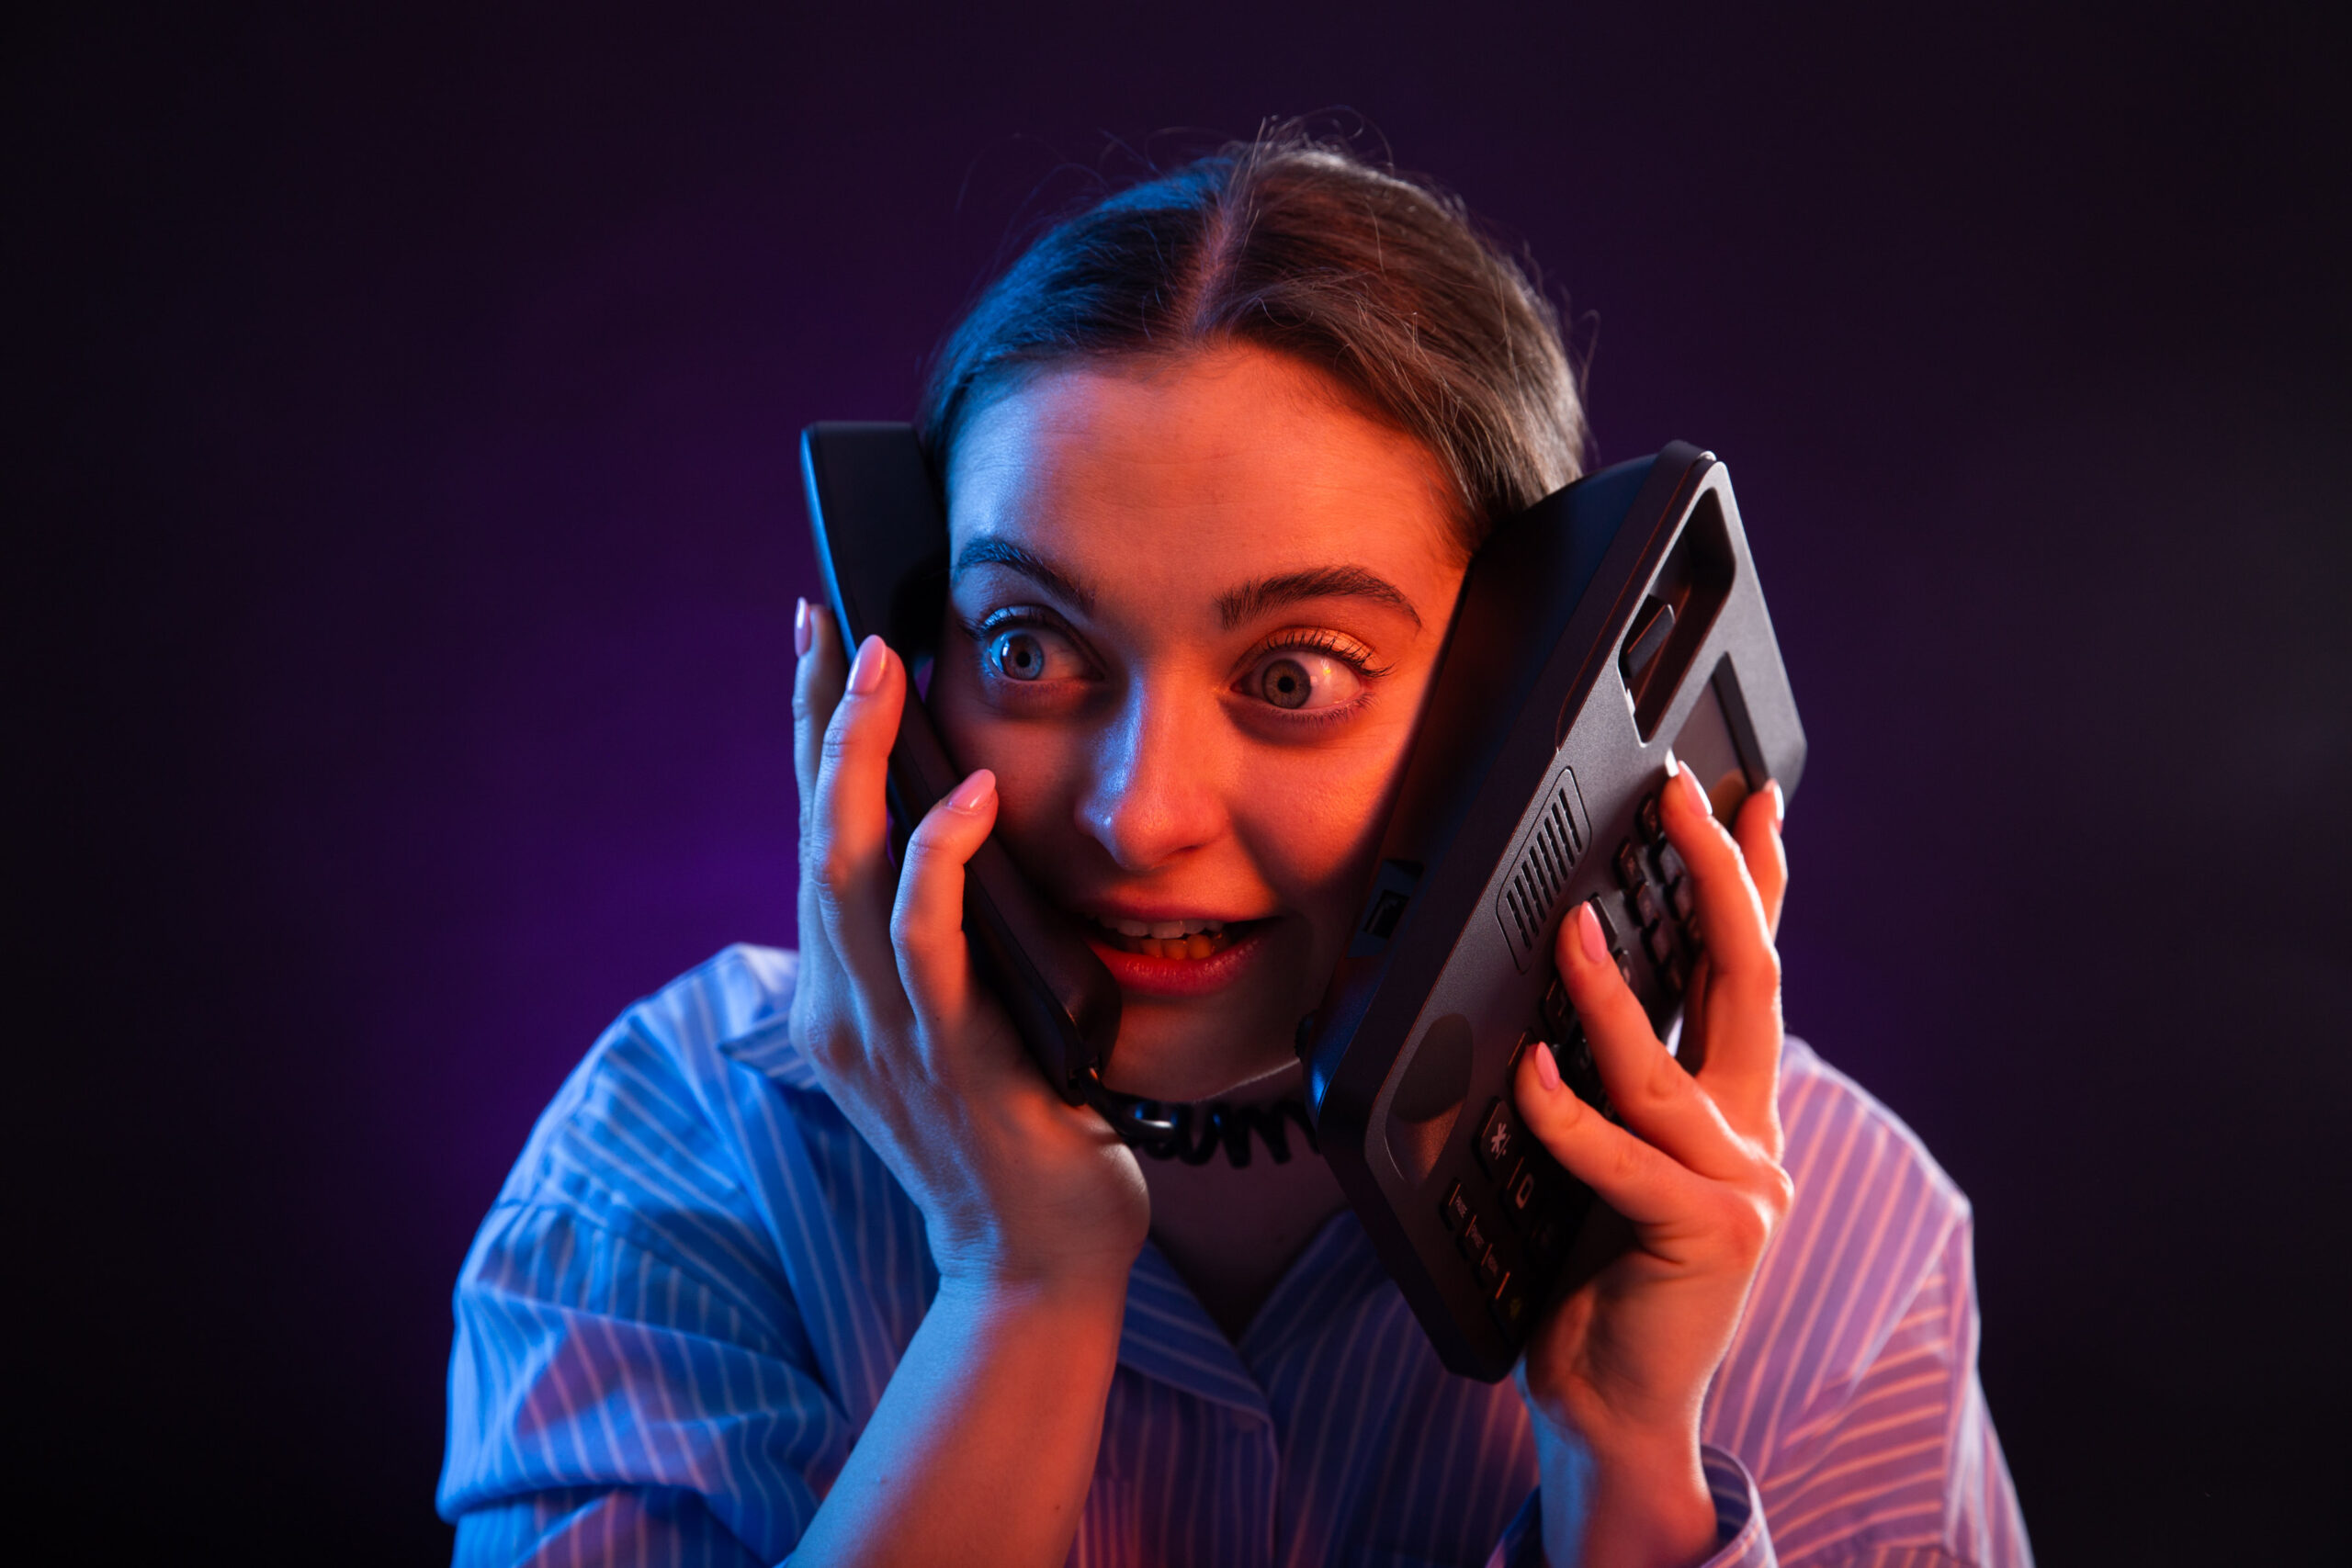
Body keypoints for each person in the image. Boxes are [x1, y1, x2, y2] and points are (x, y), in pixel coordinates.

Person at [437, 131, 2031, 1567]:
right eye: (1028, 652)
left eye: (1292, 679)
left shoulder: (1856, 1251)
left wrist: (1629, 1471)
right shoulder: (675, 1158)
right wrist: (1019, 1284)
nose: (1140, 815)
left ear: (1520, 714)